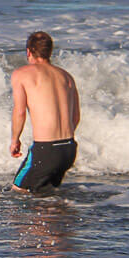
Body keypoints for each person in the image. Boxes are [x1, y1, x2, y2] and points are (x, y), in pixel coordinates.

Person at [9, 31, 80, 192]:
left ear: (29, 51)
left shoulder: (21, 74)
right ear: (49, 51)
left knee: (17, 194)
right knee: (45, 197)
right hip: (68, 149)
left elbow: (19, 112)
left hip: (46, 150)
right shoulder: (66, 76)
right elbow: (75, 117)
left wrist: (15, 140)